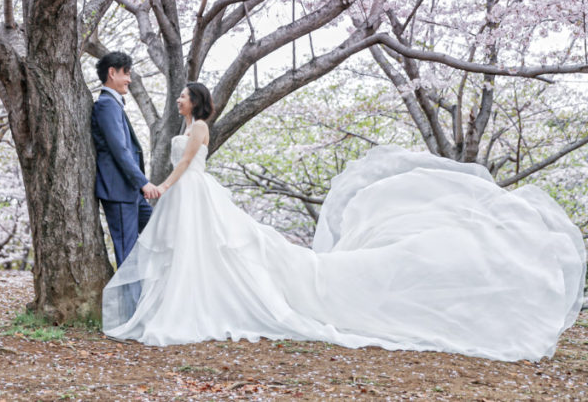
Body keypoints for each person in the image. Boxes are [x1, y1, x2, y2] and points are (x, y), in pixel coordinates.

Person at [102, 82, 586, 362]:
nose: (181, 99)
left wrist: (163, 186)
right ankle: (186, 300)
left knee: (219, 247)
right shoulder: (188, 126)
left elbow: (187, 164)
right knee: (198, 251)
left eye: (185, 96)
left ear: (196, 102)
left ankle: (197, 304)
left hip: (191, 191)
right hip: (189, 195)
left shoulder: (200, 128)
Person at [92, 52, 160, 268]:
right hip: (119, 192)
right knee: (128, 253)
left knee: (160, 230)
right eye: (126, 74)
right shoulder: (106, 104)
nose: (130, 80)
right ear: (112, 73)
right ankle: (130, 302)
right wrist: (143, 182)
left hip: (131, 192)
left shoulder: (114, 104)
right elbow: (120, 150)